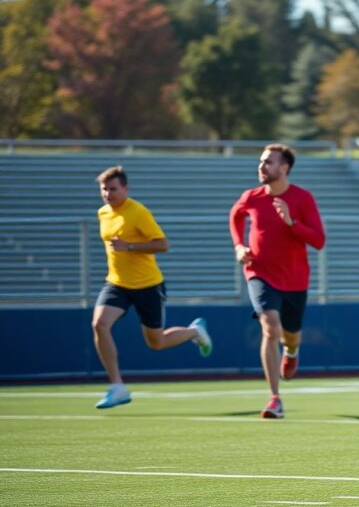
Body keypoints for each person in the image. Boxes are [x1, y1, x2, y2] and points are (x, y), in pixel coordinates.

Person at [92, 166, 212, 409]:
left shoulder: (138, 212)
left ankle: (194, 332)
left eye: (113, 189)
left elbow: (163, 244)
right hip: (116, 283)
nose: (108, 194)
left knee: (156, 343)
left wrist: (131, 247)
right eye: (104, 189)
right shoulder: (103, 213)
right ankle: (118, 387)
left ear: (125, 189)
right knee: (99, 324)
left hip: (148, 285)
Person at [229, 143, 325, 419]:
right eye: (261, 161)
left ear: (284, 168)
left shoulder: (302, 199)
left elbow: (319, 241)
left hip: (295, 280)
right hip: (260, 273)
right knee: (270, 327)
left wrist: (292, 222)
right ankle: (275, 398)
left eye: (268, 162)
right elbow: (235, 216)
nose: (262, 166)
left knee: (291, 335)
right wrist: (239, 246)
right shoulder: (251, 197)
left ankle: (292, 351)